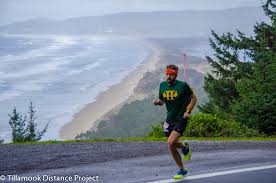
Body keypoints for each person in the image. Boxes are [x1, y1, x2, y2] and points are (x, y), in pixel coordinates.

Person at [153, 64, 197, 179]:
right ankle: (184, 147)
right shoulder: (162, 86)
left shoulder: (183, 86)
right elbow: (162, 100)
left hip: (181, 118)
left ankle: (183, 170)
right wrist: (158, 102)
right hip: (169, 119)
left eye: (171, 74)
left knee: (170, 143)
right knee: (171, 142)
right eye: (167, 74)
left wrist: (188, 111)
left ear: (175, 75)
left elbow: (194, 98)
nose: (169, 76)